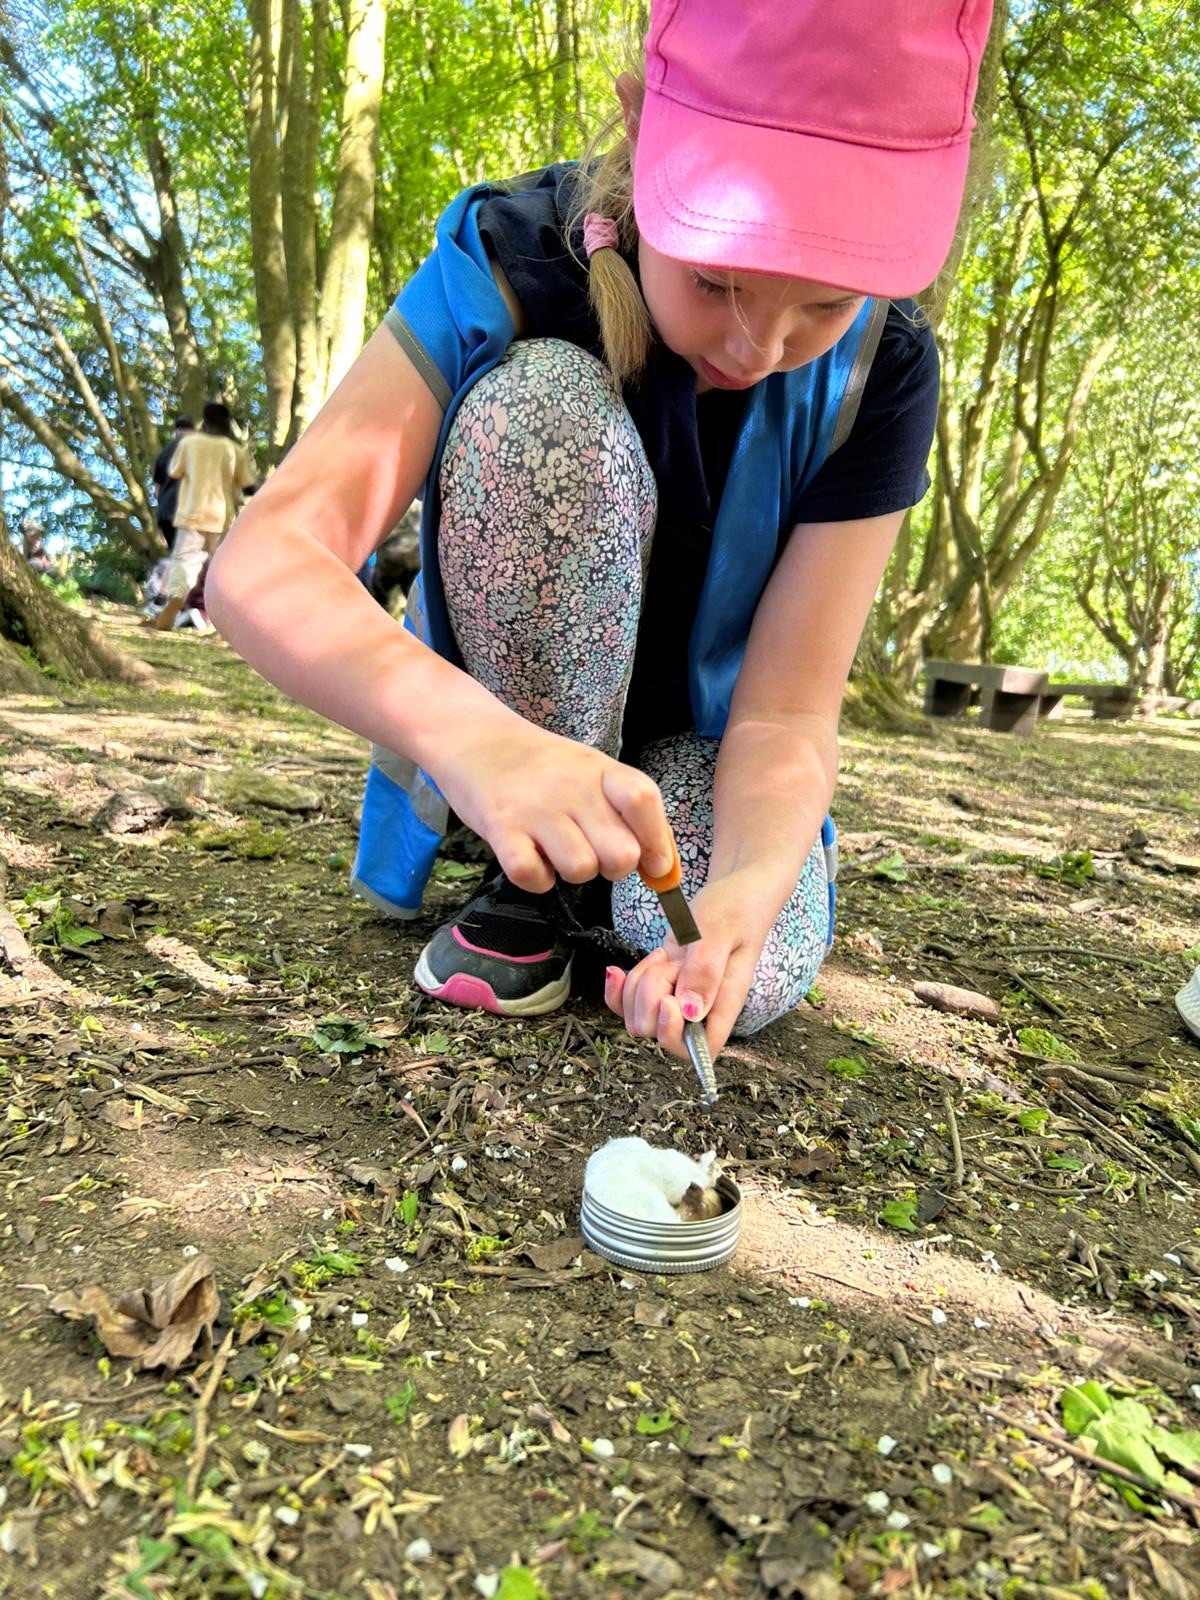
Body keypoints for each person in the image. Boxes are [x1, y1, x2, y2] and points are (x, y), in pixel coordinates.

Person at [208, 0, 993, 1065]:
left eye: (824, 304)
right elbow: (264, 562)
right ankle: (530, 878)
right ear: (640, 127)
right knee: (542, 411)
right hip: (506, 727)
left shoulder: (883, 367)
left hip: (703, 758)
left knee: (750, 967)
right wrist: (482, 744)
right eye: (716, 281)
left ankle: (631, 902)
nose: (759, 348)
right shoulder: (514, 255)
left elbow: (786, 713)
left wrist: (752, 882)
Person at [154, 401, 256, 632]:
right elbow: (249, 486)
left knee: (183, 561)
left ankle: (176, 595)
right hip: (221, 518)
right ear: (227, 423)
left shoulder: (189, 443)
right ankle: (223, 611)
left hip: (191, 515)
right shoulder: (234, 449)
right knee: (220, 568)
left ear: (205, 422)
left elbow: (174, 472)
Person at [151, 413, 194, 556]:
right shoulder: (196, 449)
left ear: (176, 431)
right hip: (188, 511)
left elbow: (157, 490)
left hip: (166, 515)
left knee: (179, 557)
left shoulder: (162, 454)